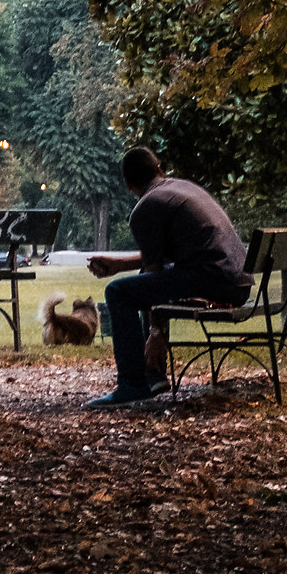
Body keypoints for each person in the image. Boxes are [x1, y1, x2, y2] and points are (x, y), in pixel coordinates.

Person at [84, 147, 252, 407]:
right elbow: (159, 260)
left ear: (129, 185)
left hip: (214, 281)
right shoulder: (183, 188)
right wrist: (119, 264)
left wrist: (156, 332)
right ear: (160, 169)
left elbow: (155, 274)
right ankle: (153, 376)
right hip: (235, 279)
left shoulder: (146, 207)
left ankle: (132, 384)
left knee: (117, 293)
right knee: (136, 284)